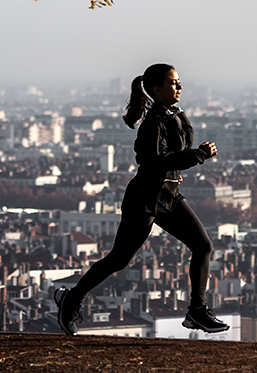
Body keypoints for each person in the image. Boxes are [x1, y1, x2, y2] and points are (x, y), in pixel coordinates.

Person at [54, 63, 228, 335]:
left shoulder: (174, 116)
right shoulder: (153, 123)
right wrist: (199, 155)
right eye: (173, 83)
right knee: (119, 260)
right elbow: (159, 161)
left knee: (203, 245)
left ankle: (197, 311)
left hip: (168, 196)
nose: (179, 86)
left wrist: (185, 163)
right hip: (145, 199)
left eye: (179, 82)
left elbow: (170, 159)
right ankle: (71, 298)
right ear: (157, 89)